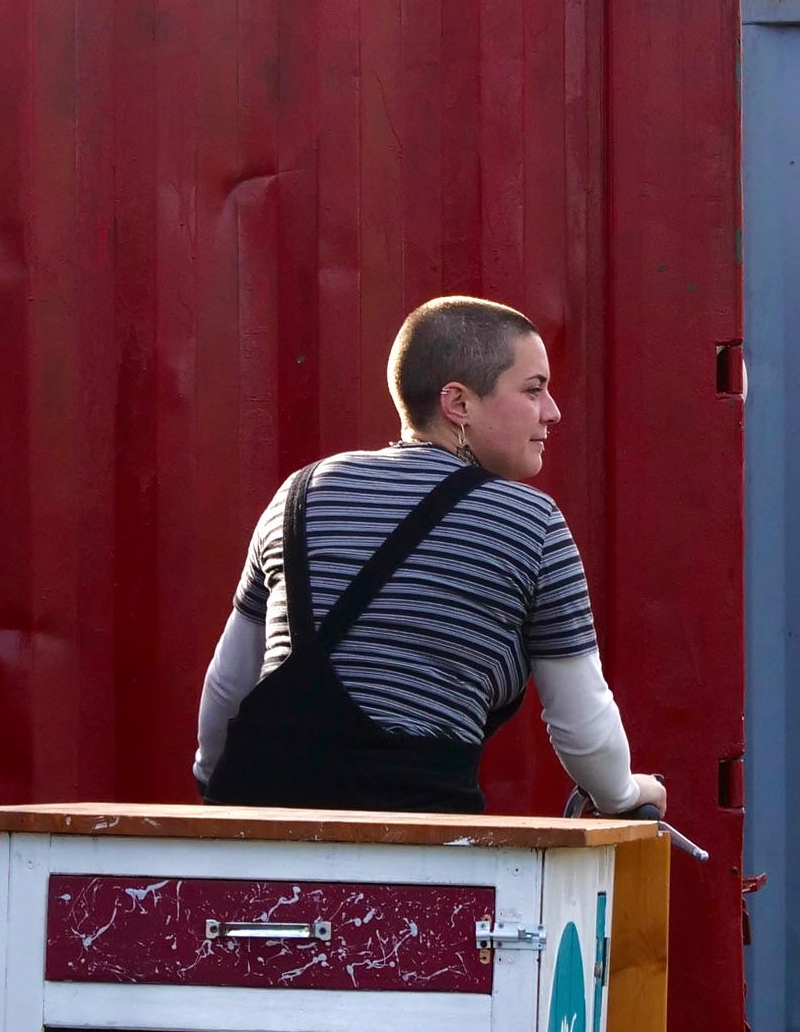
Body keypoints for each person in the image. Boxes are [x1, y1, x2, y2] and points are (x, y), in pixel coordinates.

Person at [195, 296, 666, 818]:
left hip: (262, 815)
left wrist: (215, 784)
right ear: (458, 404)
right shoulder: (533, 522)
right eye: (534, 390)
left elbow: (229, 682)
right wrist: (624, 794)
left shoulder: (301, 491)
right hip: (416, 830)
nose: (552, 412)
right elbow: (580, 718)